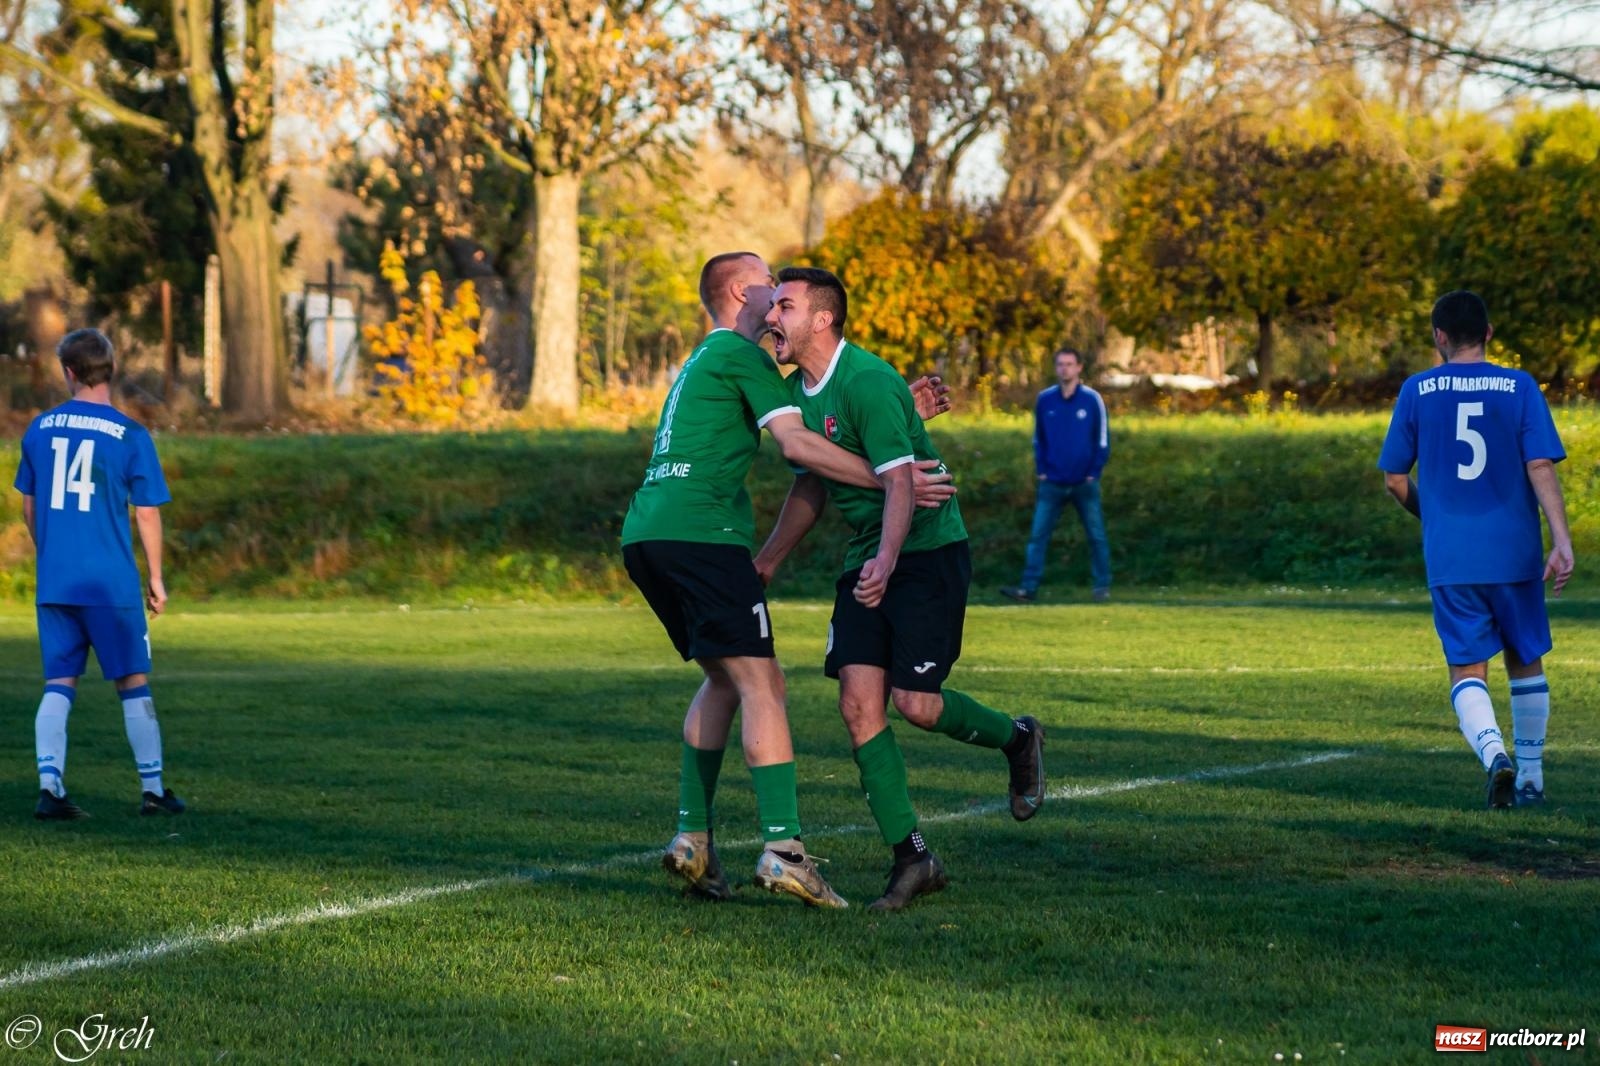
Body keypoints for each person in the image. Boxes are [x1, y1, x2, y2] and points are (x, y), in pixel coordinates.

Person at [621, 251, 952, 908]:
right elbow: (800, 448)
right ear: (744, 290)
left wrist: (891, 415)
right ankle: (784, 850)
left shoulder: (709, 358)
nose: (777, 300)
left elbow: (826, 418)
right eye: (770, 283)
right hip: (700, 534)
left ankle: (693, 840)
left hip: (648, 533)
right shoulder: (742, 357)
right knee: (762, 683)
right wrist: (893, 474)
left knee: (722, 678)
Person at [755, 265, 1046, 912]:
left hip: (926, 553)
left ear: (822, 319)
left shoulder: (868, 381)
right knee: (859, 707)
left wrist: (887, 559)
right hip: (871, 557)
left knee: (917, 704)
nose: (773, 316)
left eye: (785, 305)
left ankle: (1018, 737)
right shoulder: (796, 396)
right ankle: (913, 859)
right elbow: (810, 481)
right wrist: (770, 558)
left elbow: (902, 482)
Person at [1377, 291, 1573, 809]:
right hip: (1514, 553)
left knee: (1468, 669)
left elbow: (1395, 480)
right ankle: (1530, 777)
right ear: (1488, 333)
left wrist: (1433, 515)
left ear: (1439, 337)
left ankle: (1494, 758)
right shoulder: (1520, 385)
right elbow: (1540, 466)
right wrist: (1562, 539)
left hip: (1452, 557)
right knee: (1524, 659)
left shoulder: (1417, 389)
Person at [13, 328, 184, 820]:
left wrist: (51, 551)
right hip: (110, 582)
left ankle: (51, 788)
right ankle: (153, 790)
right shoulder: (131, 435)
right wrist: (156, 576)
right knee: (133, 682)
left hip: (57, 579)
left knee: (59, 683)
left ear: (69, 372)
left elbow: (30, 505)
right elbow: (147, 512)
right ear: (110, 369)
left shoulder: (38, 429)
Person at [1001, 346, 1111, 604]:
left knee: (1096, 535)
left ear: (1079, 367)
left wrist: (1094, 472)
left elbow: (1103, 439)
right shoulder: (1045, 399)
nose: (1065, 369)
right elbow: (1038, 438)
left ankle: (1102, 587)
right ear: (1056, 367)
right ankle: (1028, 588)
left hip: (1085, 483)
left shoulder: (1092, 399)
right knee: (1038, 536)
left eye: (1070, 364)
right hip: (1052, 483)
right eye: (1061, 364)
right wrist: (1041, 470)